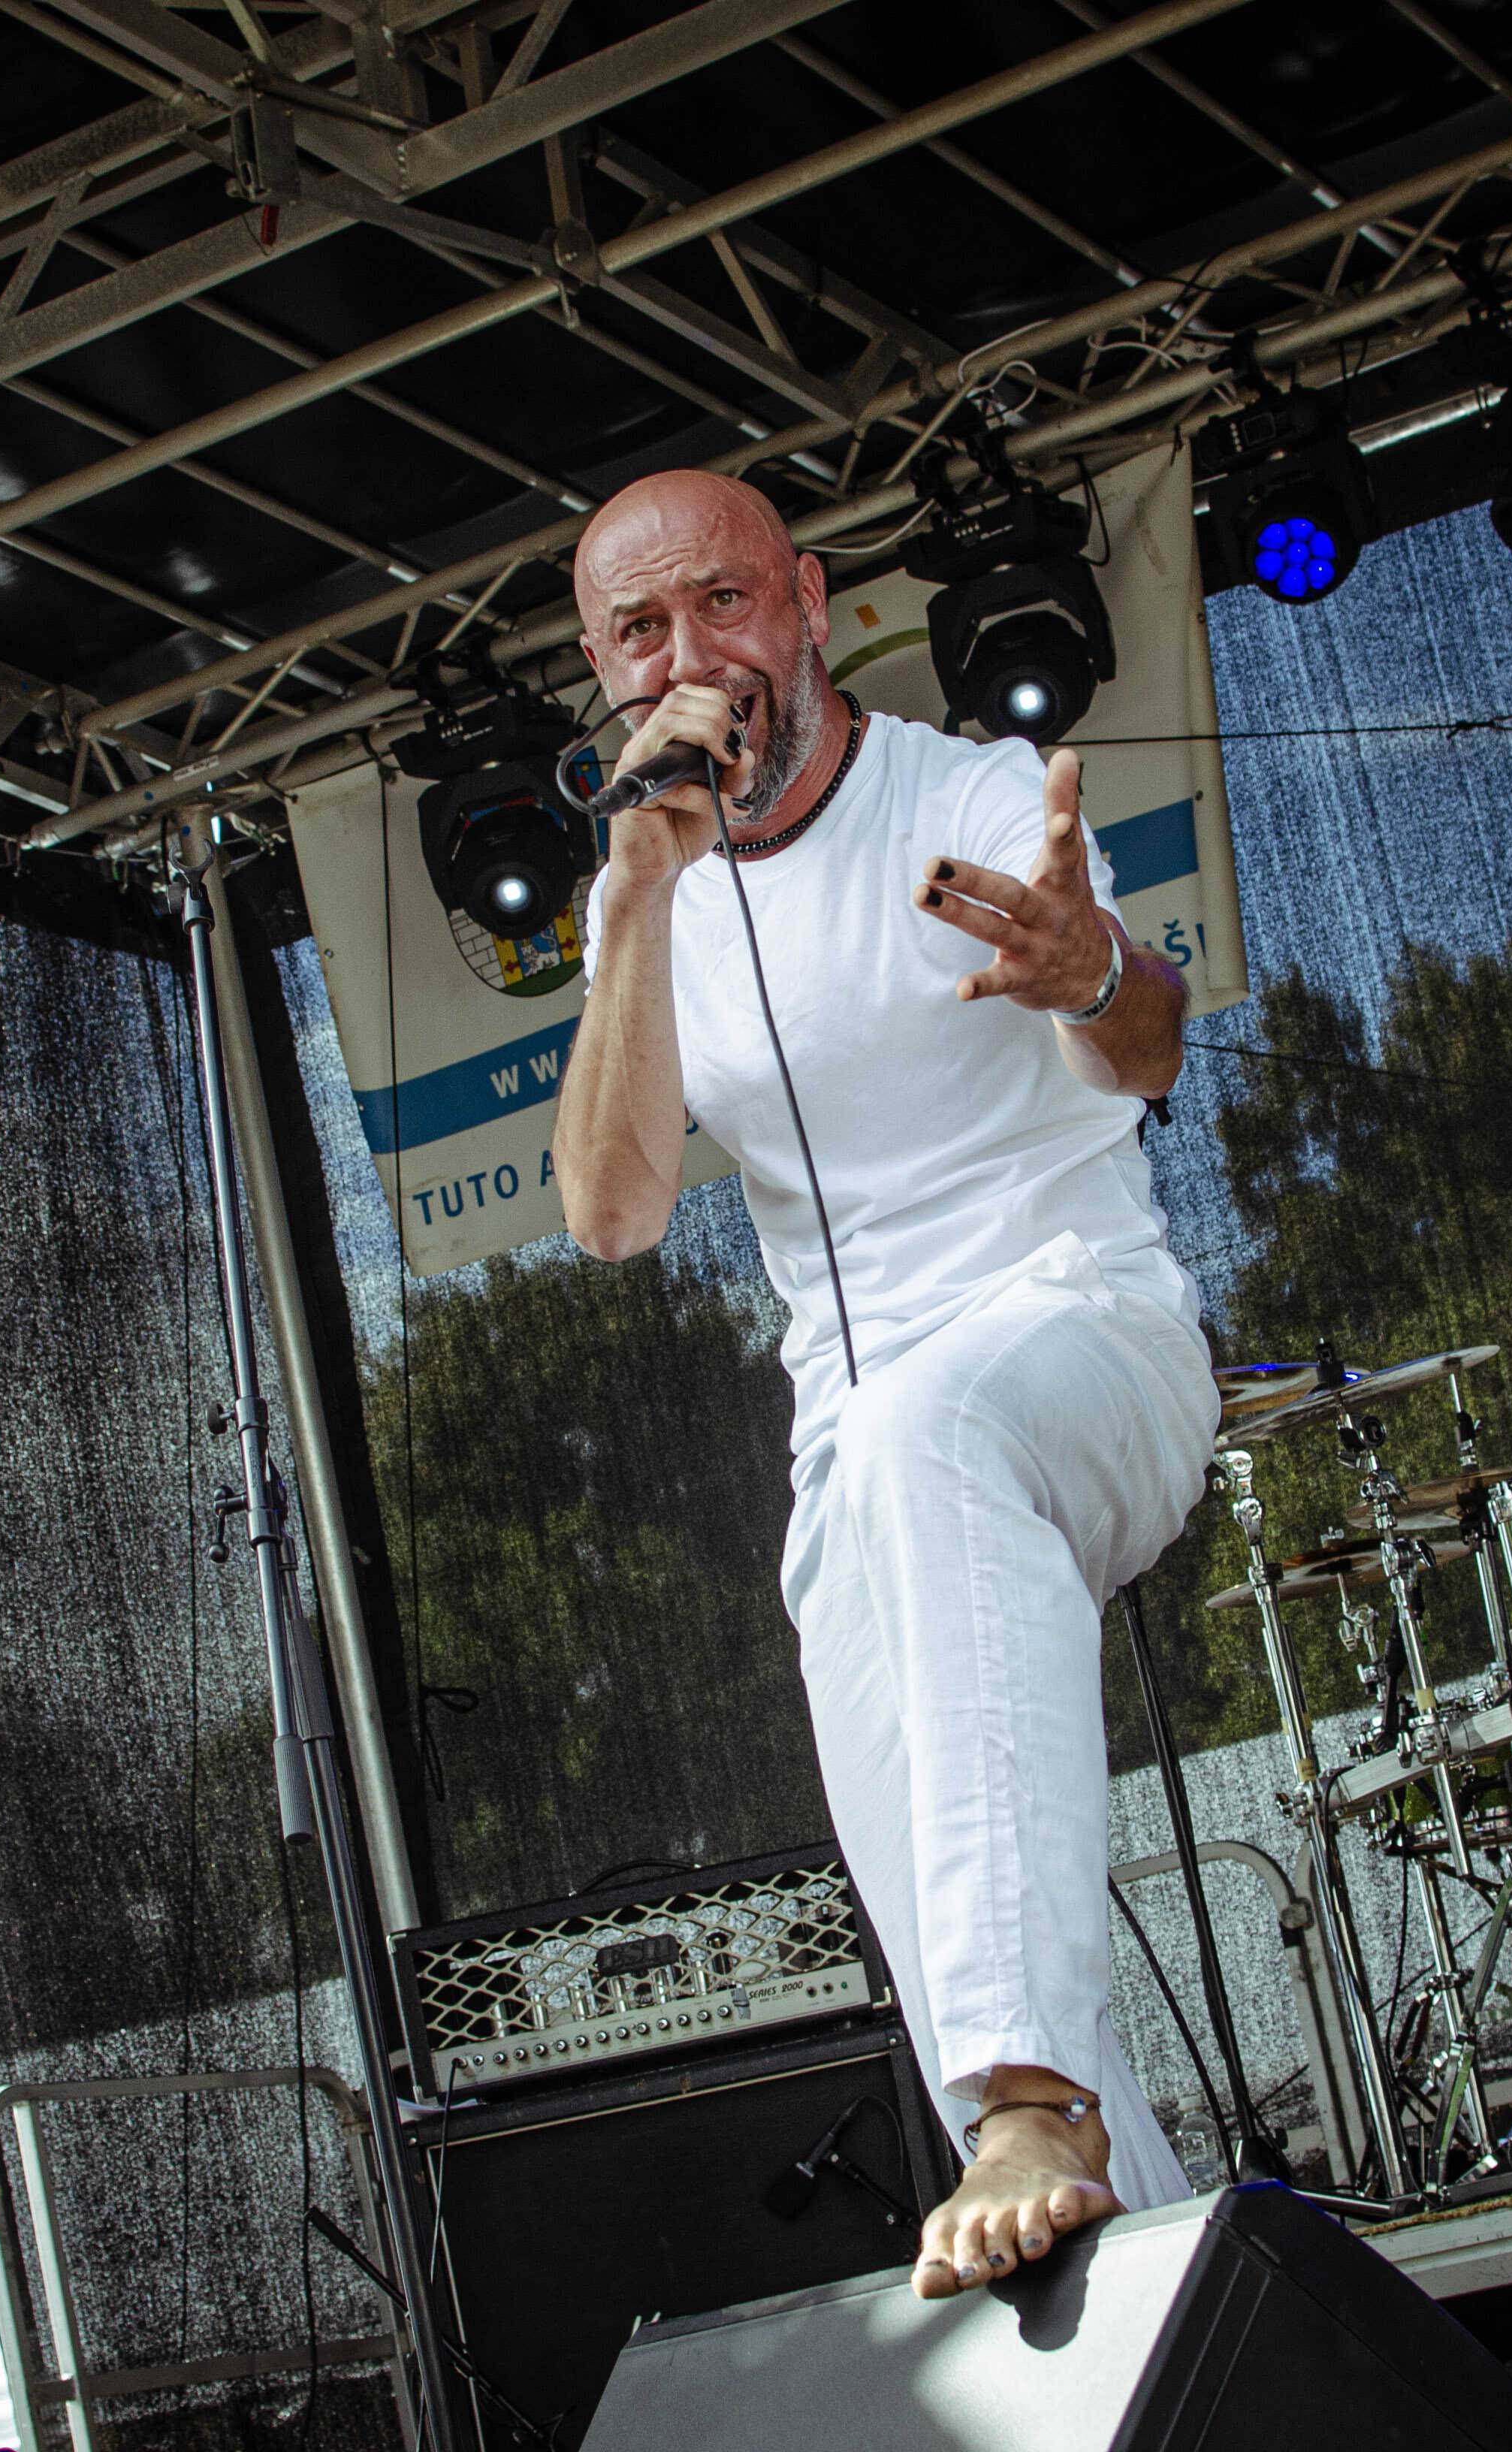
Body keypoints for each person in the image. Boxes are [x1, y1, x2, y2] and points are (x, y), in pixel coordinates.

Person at [551, 470, 1214, 2300]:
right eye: (640, 631)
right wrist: (636, 891)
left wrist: (1093, 971)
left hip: (1083, 1332)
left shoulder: (969, 797)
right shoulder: (647, 889)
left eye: (725, 603)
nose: (693, 657)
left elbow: (1148, 1048)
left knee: (937, 1424)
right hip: (861, 1444)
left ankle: (1029, 2100)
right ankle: (1155, 2280)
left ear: (811, 606)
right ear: (604, 673)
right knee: (933, 1882)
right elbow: (611, 1213)